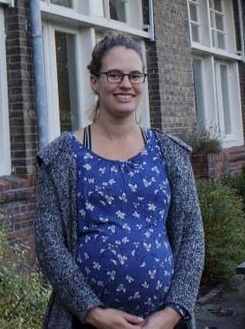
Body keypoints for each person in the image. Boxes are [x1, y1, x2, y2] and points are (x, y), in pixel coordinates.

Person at [36, 31, 204, 329]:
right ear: (94, 82)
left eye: (134, 75)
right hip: (83, 322)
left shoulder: (170, 153)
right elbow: (49, 243)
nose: (125, 84)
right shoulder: (62, 156)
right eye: (114, 75)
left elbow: (192, 236)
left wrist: (174, 312)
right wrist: (91, 310)